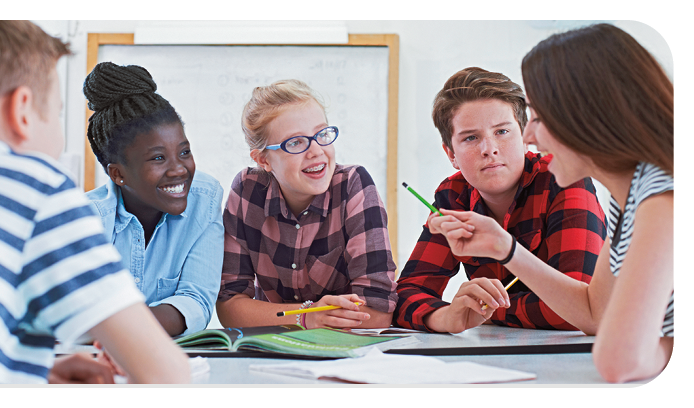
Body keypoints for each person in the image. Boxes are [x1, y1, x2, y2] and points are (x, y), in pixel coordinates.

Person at [0, 20, 190, 384]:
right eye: (55, 112)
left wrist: (39, 373)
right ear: (21, 111)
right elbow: (166, 374)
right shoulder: (33, 187)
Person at [427, 24, 673, 383]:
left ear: (588, 119)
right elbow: (593, 312)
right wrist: (505, 248)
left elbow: (621, 360)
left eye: (539, 118)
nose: (528, 136)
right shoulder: (631, 199)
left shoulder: (664, 196)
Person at [394, 67, 607, 334]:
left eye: (502, 132)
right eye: (471, 138)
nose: (489, 149)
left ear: (525, 137)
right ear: (451, 153)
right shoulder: (453, 195)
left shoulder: (563, 178)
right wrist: (448, 317)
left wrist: (484, 310)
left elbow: (578, 310)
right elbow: (405, 295)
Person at [217, 79, 397, 329]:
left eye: (322, 134)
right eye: (295, 142)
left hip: (346, 351)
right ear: (263, 160)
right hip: (272, 350)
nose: (316, 151)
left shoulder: (353, 185)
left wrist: (296, 317)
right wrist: (306, 315)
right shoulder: (247, 190)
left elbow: (377, 311)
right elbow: (230, 307)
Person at [83, 62, 224, 337]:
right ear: (119, 174)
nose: (179, 170)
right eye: (158, 158)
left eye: (184, 152)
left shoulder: (204, 199)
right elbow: (76, 316)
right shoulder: (87, 220)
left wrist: (121, 326)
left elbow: (196, 301)